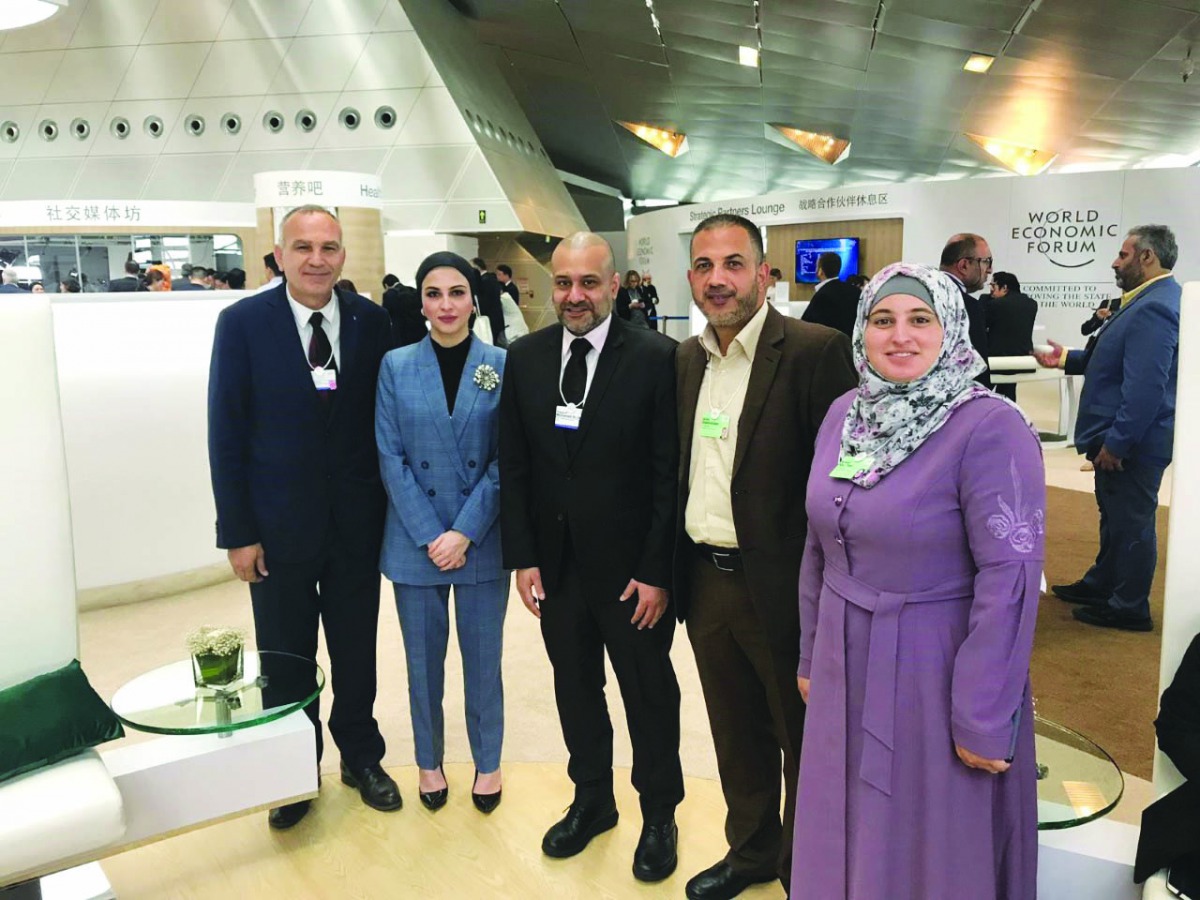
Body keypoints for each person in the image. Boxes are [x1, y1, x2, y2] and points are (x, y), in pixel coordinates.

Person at [794, 262, 1043, 899]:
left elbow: (1010, 577)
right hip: (841, 658)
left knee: (926, 838)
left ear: (950, 328)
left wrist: (984, 715)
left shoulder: (990, 427)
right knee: (843, 819)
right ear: (862, 331)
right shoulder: (846, 413)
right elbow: (819, 543)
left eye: (920, 319)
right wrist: (810, 649)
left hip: (936, 669)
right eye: (883, 320)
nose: (899, 336)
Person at [675, 215, 857, 900]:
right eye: (703, 266)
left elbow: (843, 479)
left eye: (732, 263)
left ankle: (808, 872)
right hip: (705, 581)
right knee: (735, 732)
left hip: (785, 589)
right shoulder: (687, 358)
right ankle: (751, 853)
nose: (717, 279)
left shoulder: (814, 350)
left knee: (804, 740)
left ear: (764, 274)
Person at [207, 204, 400, 830]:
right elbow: (225, 434)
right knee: (286, 659)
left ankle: (361, 757)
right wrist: (237, 533)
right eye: (303, 247)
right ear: (280, 255)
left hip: (356, 526)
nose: (317, 259)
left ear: (344, 255)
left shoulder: (373, 322)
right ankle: (292, 772)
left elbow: (388, 423)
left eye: (329, 247)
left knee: (356, 651)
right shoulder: (240, 324)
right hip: (276, 532)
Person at [499, 231, 683, 883]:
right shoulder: (524, 358)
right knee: (575, 689)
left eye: (587, 283)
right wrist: (523, 557)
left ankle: (659, 814)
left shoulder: (658, 358)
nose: (574, 296)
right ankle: (593, 800)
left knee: (648, 695)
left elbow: (669, 474)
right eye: (563, 283)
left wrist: (657, 569)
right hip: (556, 568)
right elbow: (515, 466)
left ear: (614, 284)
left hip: (634, 576)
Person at [376, 251, 508, 815]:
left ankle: (488, 760)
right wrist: (434, 533)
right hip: (415, 540)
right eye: (433, 293)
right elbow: (390, 455)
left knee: (483, 662)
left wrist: (464, 532)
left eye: (456, 293)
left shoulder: (503, 362)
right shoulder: (396, 365)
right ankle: (428, 760)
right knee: (422, 662)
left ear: (474, 301)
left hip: (482, 538)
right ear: (421, 302)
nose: (445, 305)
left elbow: (509, 460)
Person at [1034, 225, 1181, 632]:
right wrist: (1067, 359)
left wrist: (1118, 443)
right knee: (1114, 516)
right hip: (1121, 438)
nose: (1115, 262)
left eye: (1123, 254)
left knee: (1131, 520)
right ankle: (1104, 584)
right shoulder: (1146, 301)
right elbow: (1114, 359)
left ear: (1147, 257)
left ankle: (1129, 606)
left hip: (1132, 443)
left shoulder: (1155, 306)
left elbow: (1146, 387)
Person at [939, 232, 993, 388]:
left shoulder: (921, 296)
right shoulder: (967, 306)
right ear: (964, 265)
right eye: (986, 262)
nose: (989, 270)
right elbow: (978, 374)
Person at [985, 272, 1038, 402]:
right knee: (1008, 391)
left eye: (993, 285)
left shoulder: (994, 305)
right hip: (1022, 361)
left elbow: (981, 326)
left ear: (1004, 288)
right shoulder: (1032, 304)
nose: (990, 290)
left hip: (996, 362)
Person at [801, 251, 859, 337]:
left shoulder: (822, 296)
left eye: (817, 266)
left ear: (820, 271)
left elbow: (806, 326)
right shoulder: (855, 291)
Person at [471, 257, 508, 347]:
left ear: (477, 267)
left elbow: (484, 303)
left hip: (490, 321)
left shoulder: (484, 281)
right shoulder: (492, 279)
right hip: (497, 320)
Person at [382, 274, 427, 348]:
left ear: (386, 285)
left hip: (402, 336)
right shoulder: (413, 290)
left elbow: (386, 316)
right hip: (420, 332)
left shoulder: (389, 294)